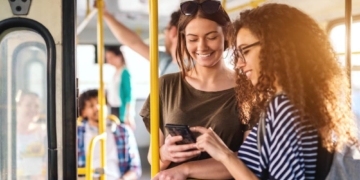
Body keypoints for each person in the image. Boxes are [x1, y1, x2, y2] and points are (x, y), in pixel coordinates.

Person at [181, 3, 359, 180]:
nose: (238, 64)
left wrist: (225, 155)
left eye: (246, 51)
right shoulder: (310, 101)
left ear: (275, 47)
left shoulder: (284, 106)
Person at [140, 0, 249, 179]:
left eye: (212, 37)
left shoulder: (247, 88)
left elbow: (248, 161)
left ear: (227, 34)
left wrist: (186, 169)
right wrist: (166, 154)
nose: (202, 47)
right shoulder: (165, 86)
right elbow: (155, 160)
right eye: (192, 39)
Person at [96, 3, 181, 75]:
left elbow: (134, 43)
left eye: (165, 30)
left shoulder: (190, 67)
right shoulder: (166, 61)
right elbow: (133, 42)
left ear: (173, 32)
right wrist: (105, 14)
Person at [77, 89, 141, 180]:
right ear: (83, 112)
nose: (97, 108)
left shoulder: (123, 132)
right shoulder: (77, 134)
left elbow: (135, 168)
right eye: (91, 106)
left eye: (100, 103)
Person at [16, 91, 46, 180]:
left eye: (36, 106)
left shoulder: (44, 133)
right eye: (28, 105)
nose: (33, 109)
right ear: (18, 106)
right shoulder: (8, 133)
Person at [105, 46, 135, 129]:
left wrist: (128, 114)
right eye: (107, 58)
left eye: (111, 57)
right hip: (113, 108)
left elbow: (129, 94)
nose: (109, 61)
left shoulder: (124, 72)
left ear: (119, 57)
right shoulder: (115, 73)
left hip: (121, 109)